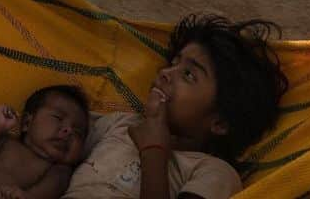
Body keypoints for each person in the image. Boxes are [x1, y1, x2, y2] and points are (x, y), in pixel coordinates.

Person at [63, 14, 287, 199]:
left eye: (188, 75)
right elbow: (47, 147)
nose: (165, 73)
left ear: (220, 122)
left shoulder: (213, 172)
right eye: (173, 63)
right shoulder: (119, 124)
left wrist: (153, 150)